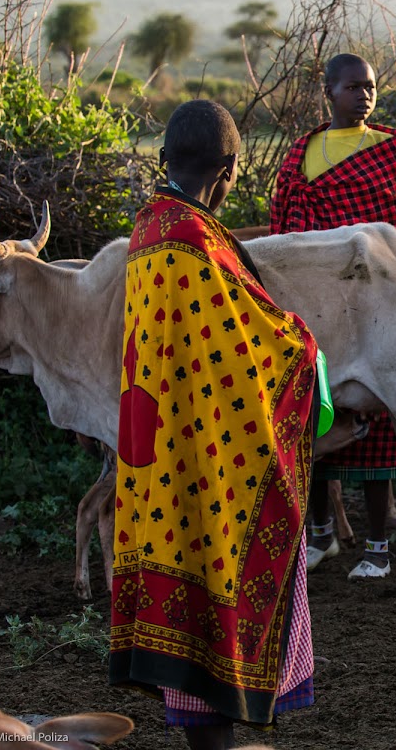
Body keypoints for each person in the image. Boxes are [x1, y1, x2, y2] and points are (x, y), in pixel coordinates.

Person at [112, 100, 319, 750]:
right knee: (215, 571)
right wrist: (304, 345)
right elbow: (255, 344)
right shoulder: (196, 241)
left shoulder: (149, 229)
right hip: (204, 454)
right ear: (229, 170)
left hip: (162, 453)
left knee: (184, 571)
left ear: (163, 159)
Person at [270, 52, 396, 580]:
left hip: (375, 305)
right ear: (329, 92)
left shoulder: (387, 152)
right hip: (314, 304)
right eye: (353, 87)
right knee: (312, 415)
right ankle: (322, 536)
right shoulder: (300, 156)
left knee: (377, 422)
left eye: (371, 87)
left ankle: (378, 546)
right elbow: (284, 234)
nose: (365, 96)